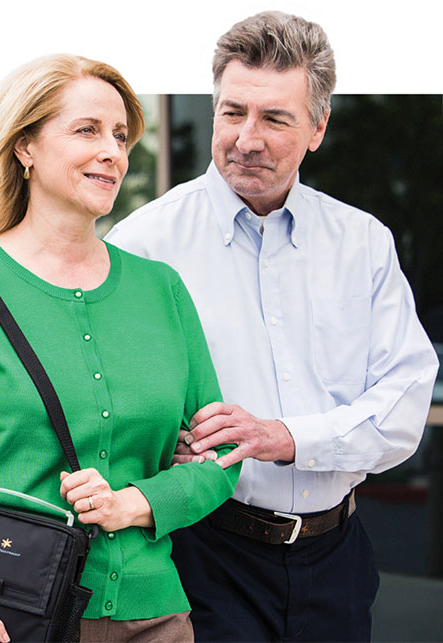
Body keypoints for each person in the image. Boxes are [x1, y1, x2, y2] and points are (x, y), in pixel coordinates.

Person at [0, 54, 240, 643]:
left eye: (120, 136)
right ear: (25, 147)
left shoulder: (161, 290)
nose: (113, 152)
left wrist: (134, 503)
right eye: (87, 130)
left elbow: (220, 458)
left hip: (155, 618)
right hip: (4, 617)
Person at [106, 10, 440, 642]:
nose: (247, 138)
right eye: (233, 113)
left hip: (337, 559)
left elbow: (402, 402)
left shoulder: (363, 243)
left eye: (275, 118)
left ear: (318, 127)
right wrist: (156, 444)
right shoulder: (142, 246)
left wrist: (283, 436)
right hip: (202, 555)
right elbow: (105, 404)